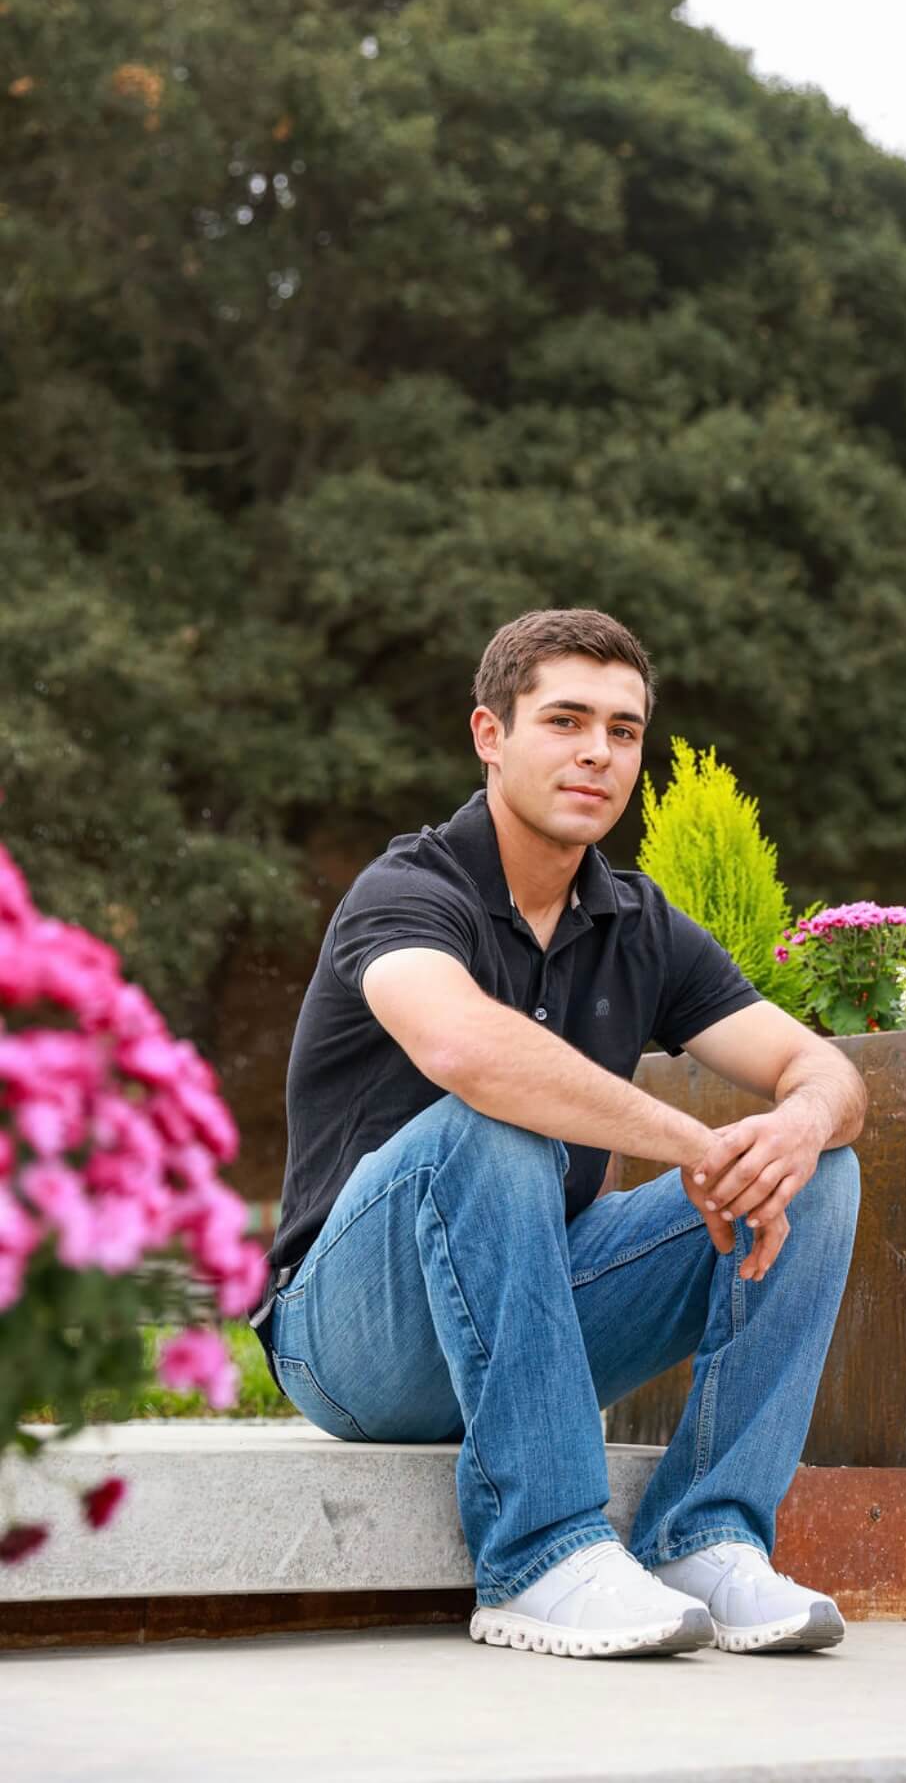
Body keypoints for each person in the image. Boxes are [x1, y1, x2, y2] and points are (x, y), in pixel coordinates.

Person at [250, 608, 865, 1659]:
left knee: (815, 1173)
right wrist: (692, 1140)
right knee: (490, 1128)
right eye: (566, 720)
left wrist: (799, 1123)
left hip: (534, 1311)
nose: (597, 753)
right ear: (490, 734)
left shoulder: (638, 922)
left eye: (623, 732)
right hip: (355, 1341)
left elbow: (826, 1071)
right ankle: (539, 1557)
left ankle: (707, 1537)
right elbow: (466, 1052)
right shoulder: (406, 892)